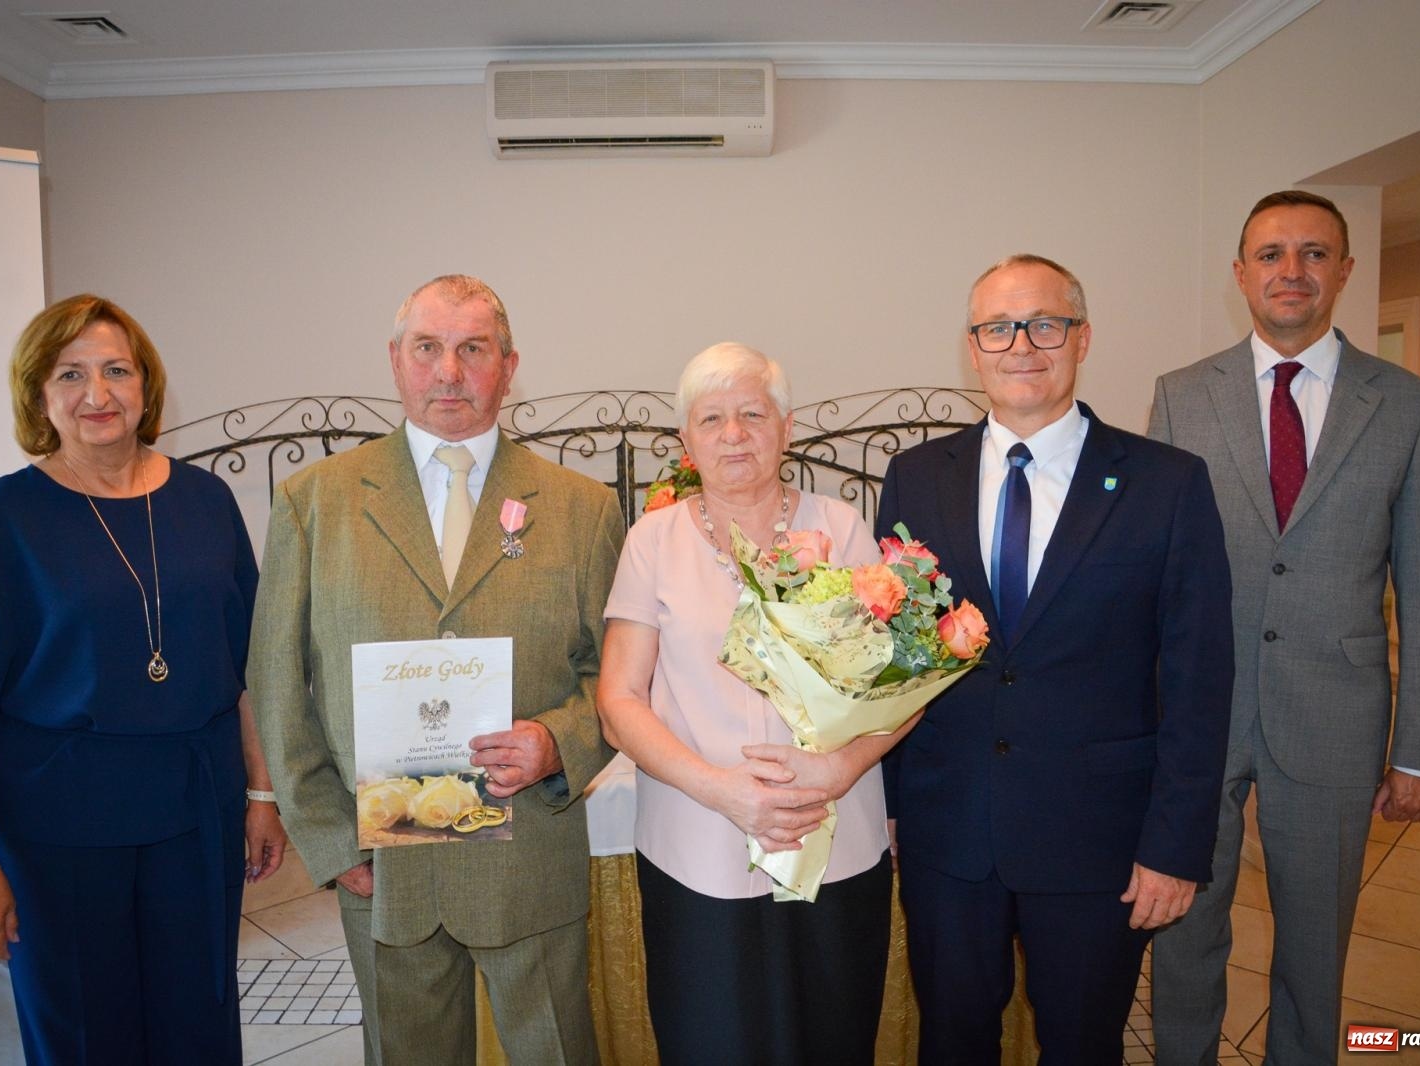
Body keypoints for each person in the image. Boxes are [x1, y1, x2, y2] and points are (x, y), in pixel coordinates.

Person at [247, 274, 623, 1066]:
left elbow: (615, 675)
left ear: (508, 367)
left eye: (472, 349)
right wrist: (329, 838)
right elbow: (279, 685)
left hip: (530, 855)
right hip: (381, 866)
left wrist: (558, 742)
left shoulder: (582, 508)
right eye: (428, 348)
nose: (449, 371)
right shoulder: (315, 502)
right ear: (395, 362)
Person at [875, 255, 1234, 1064]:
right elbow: (894, 660)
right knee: (952, 1039)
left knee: (1081, 1045)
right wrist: (890, 803)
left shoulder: (1167, 484)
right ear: (973, 348)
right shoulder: (915, 479)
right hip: (948, 831)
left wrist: (1175, 846)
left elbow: (1199, 680)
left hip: (1098, 841)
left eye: (1046, 324)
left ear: (1082, 338)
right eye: (998, 327)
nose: (1022, 345)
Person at [0, 294, 286, 1065]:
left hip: (196, 816)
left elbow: (249, 671)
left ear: (146, 384)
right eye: (71, 374)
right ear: (39, 395)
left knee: (199, 1027)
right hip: (60, 833)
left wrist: (261, 794)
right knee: (86, 1036)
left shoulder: (205, 501)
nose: (98, 394)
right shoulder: (1, 520)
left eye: (117, 370)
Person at [1148, 190, 1420, 1064]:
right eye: (1273, 253)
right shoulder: (1181, 396)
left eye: (1315, 254)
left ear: (1346, 271)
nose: (1293, 272)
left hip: (1335, 716)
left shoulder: (1408, 405)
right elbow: (1153, 573)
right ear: (1241, 273)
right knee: (1183, 931)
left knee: (1316, 947)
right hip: (1197, 716)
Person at [597, 342, 907, 1065]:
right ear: (686, 441)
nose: (733, 434)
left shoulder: (843, 529)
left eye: (751, 414)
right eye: (712, 418)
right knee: (713, 1040)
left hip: (834, 839)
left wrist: (837, 771)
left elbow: (902, 690)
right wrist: (725, 793)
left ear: (787, 427)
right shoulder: (653, 541)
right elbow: (618, 699)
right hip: (698, 847)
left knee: (833, 1036)